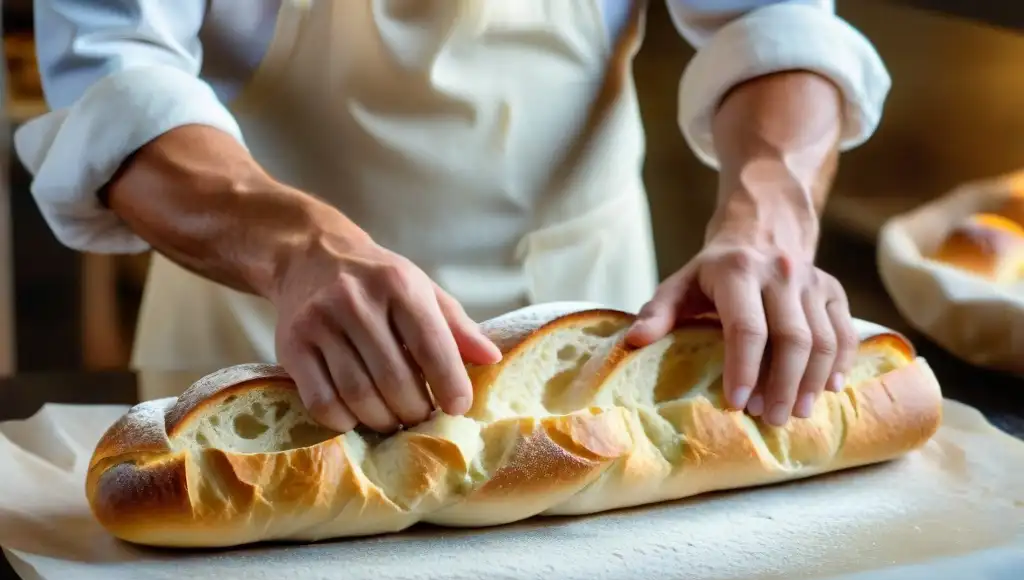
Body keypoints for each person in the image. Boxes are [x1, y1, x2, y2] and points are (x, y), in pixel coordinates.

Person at [16, 0, 889, 431]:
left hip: (595, 357)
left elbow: (769, 17)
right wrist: (297, 250)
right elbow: (112, 83)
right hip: (257, 354)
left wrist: (766, 217)